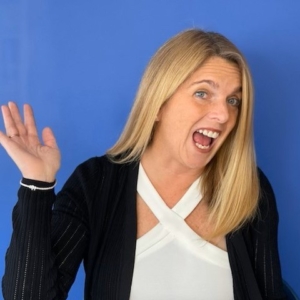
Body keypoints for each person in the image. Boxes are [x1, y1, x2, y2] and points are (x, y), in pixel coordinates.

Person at [0, 29, 286, 300]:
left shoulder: (247, 187)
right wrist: (36, 184)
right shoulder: (96, 184)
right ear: (159, 103)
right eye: (202, 93)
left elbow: (269, 292)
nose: (224, 114)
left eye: (233, 100)